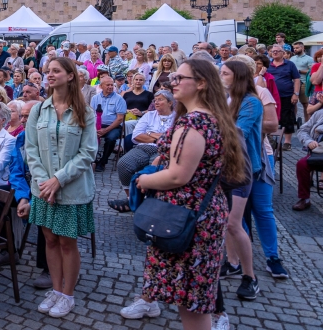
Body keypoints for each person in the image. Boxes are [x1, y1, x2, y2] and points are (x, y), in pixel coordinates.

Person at [120, 59, 246, 329]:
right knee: (191, 299)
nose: (171, 83)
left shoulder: (194, 123)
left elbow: (178, 175)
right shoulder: (212, 118)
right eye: (172, 78)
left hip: (187, 216)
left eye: (179, 78)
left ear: (201, 83)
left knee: (191, 302)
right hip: (199, 211)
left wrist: (144, 179)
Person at [25, 57, 96, 318]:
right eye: (48, 71)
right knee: (50, 241)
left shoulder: (84, 112)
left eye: (56, 71)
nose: (49, 75)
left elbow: (88, 152)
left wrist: (59, 179)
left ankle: (68, 294)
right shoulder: (38, 110)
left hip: (72, 189)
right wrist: (45, 181)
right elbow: (31, 149)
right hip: (43, 188)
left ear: (70, 76)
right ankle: (56, 289)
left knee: (67, 242)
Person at [218, 60, 263, 304]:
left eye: (224, 73)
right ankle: (232, 262)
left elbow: (237, 131)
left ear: (238, 77)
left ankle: (250, 277)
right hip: (221, 168)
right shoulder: (224, 99)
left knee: (234, 224)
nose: (220, 76)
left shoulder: (251, 102)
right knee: (224, 221)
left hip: (241, 168)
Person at [108, 90, 176, 213]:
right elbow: (136, 135)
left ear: (170, 102)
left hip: (163, 151)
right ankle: (131, 199)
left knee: (154, 169)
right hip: (144, 147)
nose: (156, 102)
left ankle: (148, 202)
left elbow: (174, 138)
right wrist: (160, 138)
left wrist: (150, 133)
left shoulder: (177, 117)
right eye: (155, 100)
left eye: (160, 99)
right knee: (124, 164)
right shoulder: (149, 115)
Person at [90, 76, 127, 172]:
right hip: (96, 125)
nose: (111, 87)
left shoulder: (119, 99)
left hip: (113, 126)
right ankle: (91, 159)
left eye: (112, 85)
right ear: (101, 86)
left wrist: (105, 130)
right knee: (86, 135)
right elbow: (91, 114)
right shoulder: (95, 98)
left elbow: (119, 119)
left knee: (111, 138)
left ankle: (103, 162)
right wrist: (94, 128)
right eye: (108, 85)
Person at [268, 44, 301, 149]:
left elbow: (296, 79)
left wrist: (296, 94)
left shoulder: (290, 64)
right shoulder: (268, 64)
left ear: (283, 53)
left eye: (277, 51)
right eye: (273, 51)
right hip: (271, 97)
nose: (275, 52)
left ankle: (287, 142)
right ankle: (271, 140)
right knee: (271, 118)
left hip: (286, 95)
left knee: (288, 118)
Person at [291, 42, 314, 121]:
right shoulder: (292, 58)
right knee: (293, 103)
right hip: (292, 83)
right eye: (294, 48)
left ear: (303, 48)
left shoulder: (309, 59)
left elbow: (311, 71)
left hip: (304, 82)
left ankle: (307, 122)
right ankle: (293, 120)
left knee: (305, 103)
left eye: (297, 48)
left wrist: (299, 71)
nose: (295, 49)